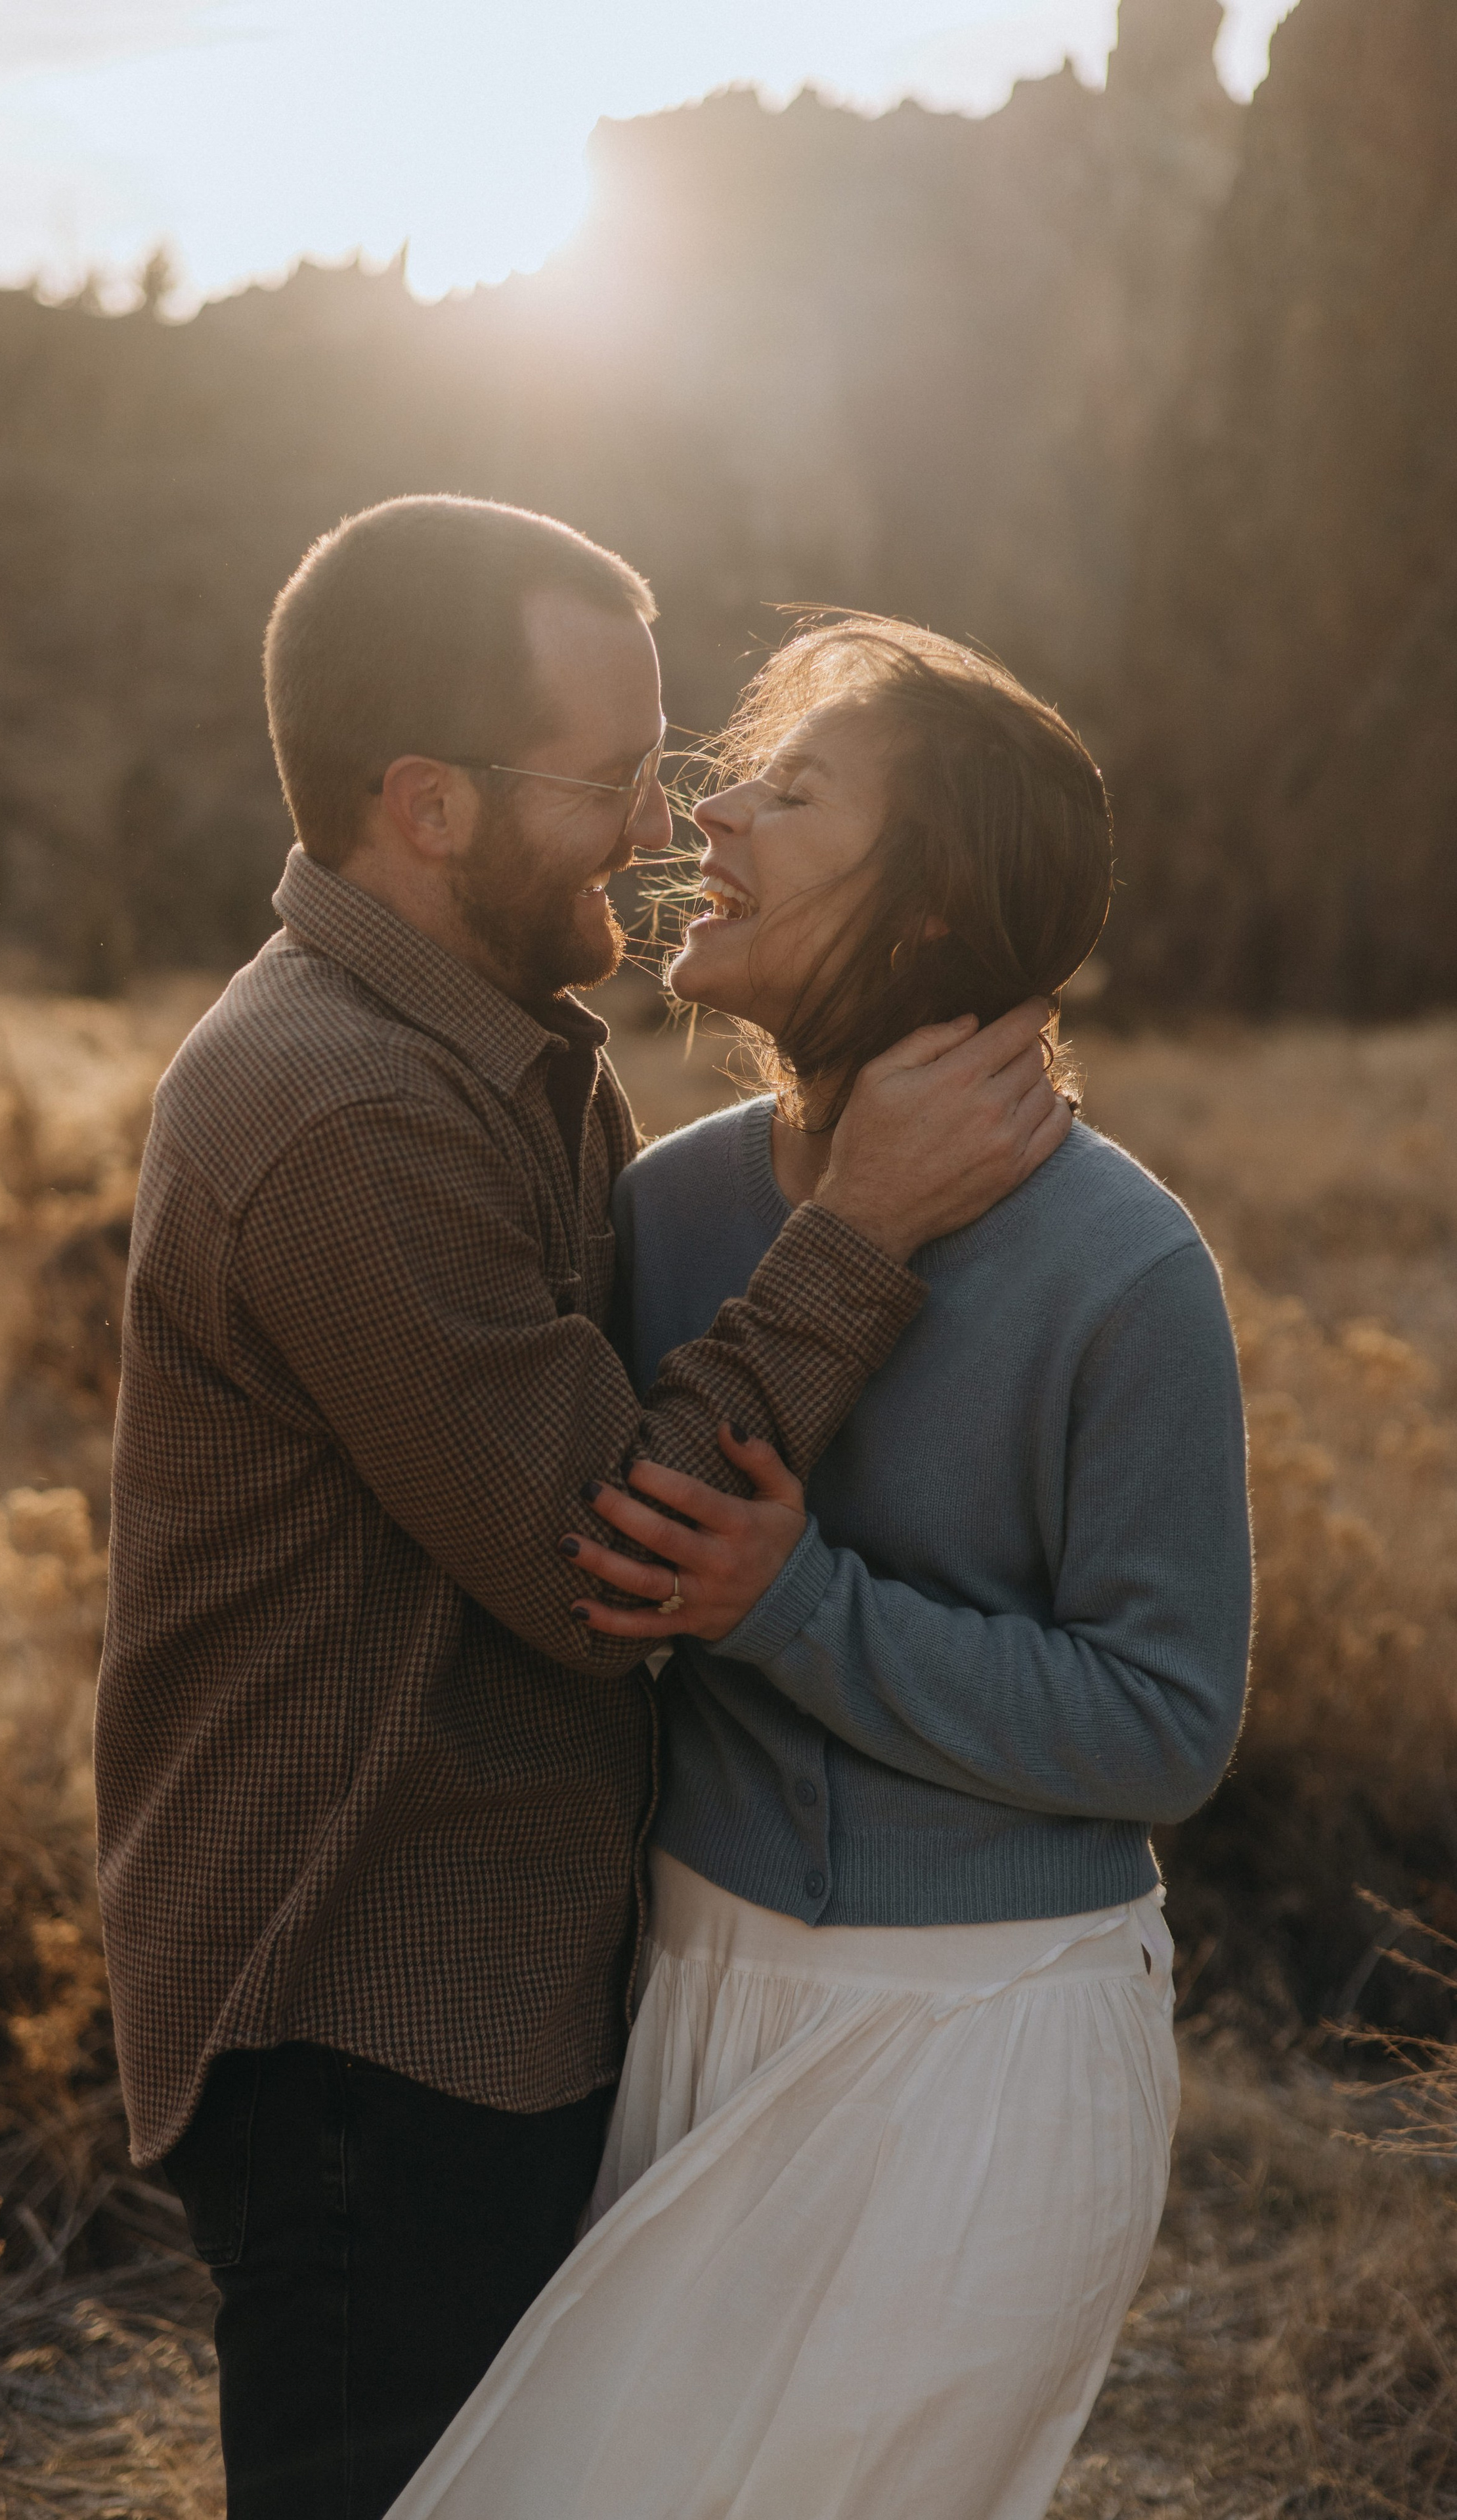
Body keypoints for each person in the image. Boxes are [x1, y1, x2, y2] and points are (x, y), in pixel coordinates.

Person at [93, 507, 1073, 2520]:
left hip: (478, 2005)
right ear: (427, 807)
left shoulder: (491, 1060)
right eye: (611, 773)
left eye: (672, 761)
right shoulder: (343, 1107)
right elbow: (597, 1570)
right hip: (370, 2016)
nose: (660, 819)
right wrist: (868, 1220)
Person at [381, 617, 1253, 2520]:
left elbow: (1167, 1726)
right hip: (691, 2002)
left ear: (935, 910)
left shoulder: (1125, 1267)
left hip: (988, 2043)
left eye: (794, 789)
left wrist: (796, 1608)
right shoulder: (667, 1206)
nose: (714, 807)